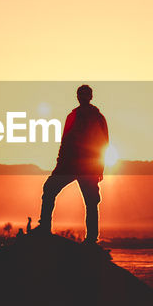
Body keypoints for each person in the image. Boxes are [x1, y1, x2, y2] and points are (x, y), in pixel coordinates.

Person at [37, 84, 109, 244]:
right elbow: (66, 140)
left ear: (90, 97)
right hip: (71, 164)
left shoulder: (97, 118)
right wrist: (60, 163)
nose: (82, 97)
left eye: (84, 94)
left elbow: (103, 144)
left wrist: (100, 167)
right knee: (50, 189)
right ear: (78, 97)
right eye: (80, 94)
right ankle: (44, 228)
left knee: (90, 201)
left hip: (83, 166)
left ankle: (91, 239)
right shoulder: (77, 116)